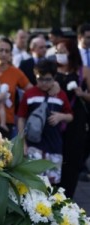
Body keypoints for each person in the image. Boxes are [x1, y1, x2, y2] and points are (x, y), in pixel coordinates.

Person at [17, 59, 73, 184]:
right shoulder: (30, 94)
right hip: (33, 146)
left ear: (54, 78)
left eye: (47, 79)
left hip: (54, 146)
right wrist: (22, 143)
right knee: (32, 181)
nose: (43, 83)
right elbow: (21, 118)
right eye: (39, 79)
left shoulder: (61, 95)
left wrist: (61, 116)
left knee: (52, 184)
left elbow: (70, 116)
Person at [54, 38, 90, 197]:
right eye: (57, 51)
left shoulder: (83, 71)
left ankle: (67, 198)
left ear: (71, 53)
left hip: (76, 122)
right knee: (54, 158)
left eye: (63, 51)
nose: (59, 55)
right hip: (55, 120)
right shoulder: (53, 71)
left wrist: (83, 94)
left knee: (72, 160)